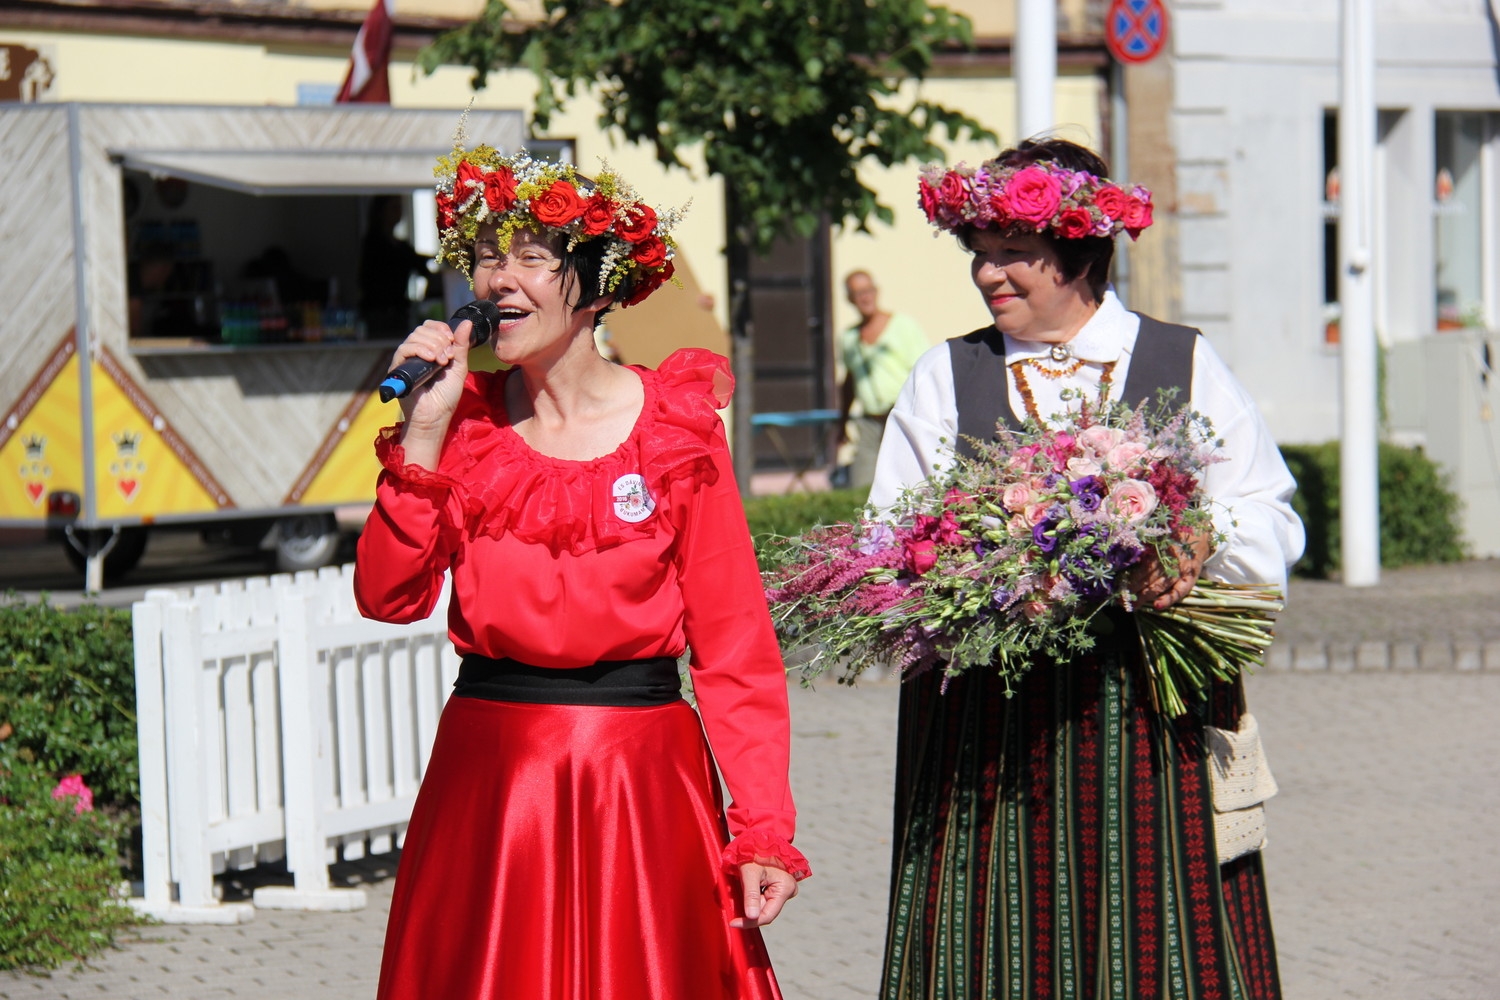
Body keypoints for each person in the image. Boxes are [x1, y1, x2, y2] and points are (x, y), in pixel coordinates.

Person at [354, 144, 809, 1000]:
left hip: (640, 779)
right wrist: (420, 437)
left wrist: (761, 831)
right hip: (492, 777)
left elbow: (735, 647)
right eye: (490, 257)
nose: (500, 281)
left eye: (533, 258)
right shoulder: (464, 427)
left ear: (597, 286)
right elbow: (386, 595)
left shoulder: (674, 429)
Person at [870, 138, 1305, 999]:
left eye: (1012, 256)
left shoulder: (1180, 362)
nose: (990, 277)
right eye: (980, 257)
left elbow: (1271, 517)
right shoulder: (945, 377)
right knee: (996, 944)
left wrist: (1199, 535)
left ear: (1080, 253)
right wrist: (977, 566)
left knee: (1158, 941)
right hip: (989, 724)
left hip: (1148, 713)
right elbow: (890, 544)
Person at [836, 270, 929, 489]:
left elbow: (923, 372)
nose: (864, 298)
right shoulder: (849, 338)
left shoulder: (903, 325)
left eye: (867, 291)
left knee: (909, 481)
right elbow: (849, 381)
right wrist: (842, 423)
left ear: (876, 292)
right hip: (869, 420)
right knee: (861, 483)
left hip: (900, 414)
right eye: (857, 293)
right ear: (850, 299)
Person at [358, 195, 433, 339]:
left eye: (400, 208)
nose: (398, 212)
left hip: (399, 312)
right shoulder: (374, 244)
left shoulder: (401, 246)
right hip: (377, 312)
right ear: (381, 212)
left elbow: (419, 264)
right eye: (394, 208)